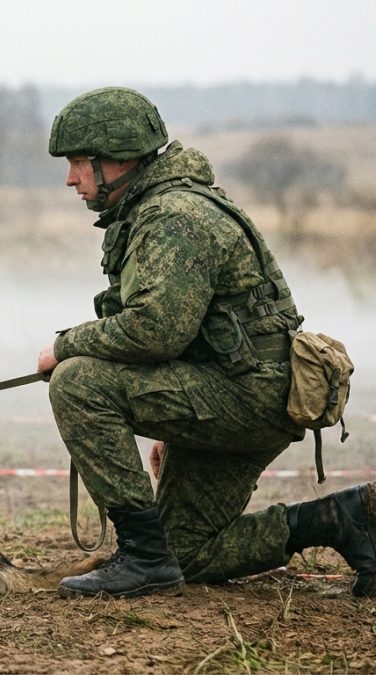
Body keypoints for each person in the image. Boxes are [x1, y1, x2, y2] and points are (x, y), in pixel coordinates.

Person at [37, 86, 374, 599]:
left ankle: (143, 559)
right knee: (187, 554)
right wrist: (180, 425)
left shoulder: (173, 217)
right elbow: (186, 333)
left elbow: (153, 330)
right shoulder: (164, 206)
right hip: (248, 392)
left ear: (120, 160)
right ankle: (341, 518)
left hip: (250, 397)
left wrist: (63, 347)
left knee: (78, 381)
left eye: (80, 162)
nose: (70, 178)